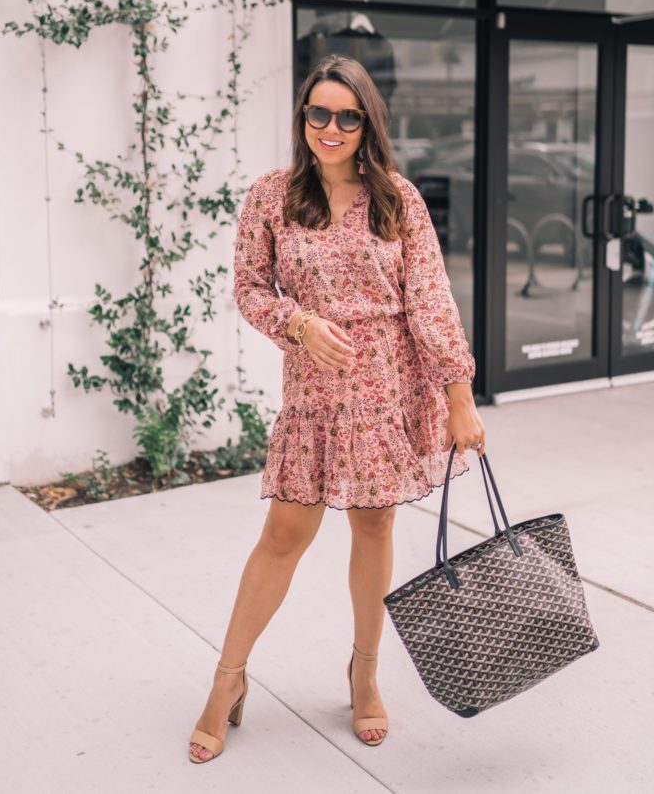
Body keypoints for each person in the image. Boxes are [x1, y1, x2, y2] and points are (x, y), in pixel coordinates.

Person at [188, 54, 487, 763]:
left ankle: (364, 670)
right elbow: (250, 287)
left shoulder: (398, 198)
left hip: (388, 388)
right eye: (318, 113)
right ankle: (227, 679)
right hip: (316, 394)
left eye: (346, 115)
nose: (330, 126)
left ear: (366, 123)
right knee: (285, 534)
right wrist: (299, 326)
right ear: (303, 119)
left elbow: (430, 298)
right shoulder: (272, 196)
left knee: (376, 527)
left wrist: (459, 397)